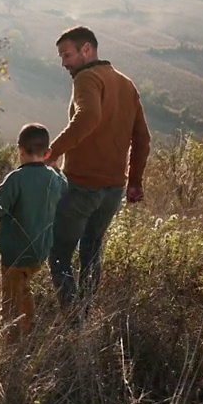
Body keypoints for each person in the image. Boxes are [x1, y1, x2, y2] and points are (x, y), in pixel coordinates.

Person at [46, 25, 150, 312]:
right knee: (91, 252)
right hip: (113, 190)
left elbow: (89, 116)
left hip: (82, 186)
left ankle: (72, 317)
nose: (64, 63)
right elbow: (142, 139)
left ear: (87, 50)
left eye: (67, 55)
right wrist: (135, 182)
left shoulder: (86, 78)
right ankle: (86, 311)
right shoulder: (126, 84)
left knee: (58, 253)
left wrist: (51, 153)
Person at [0, 123, 67, 341]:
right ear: (47, 153)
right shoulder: (55, 179)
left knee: (10, 299)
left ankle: (12, 341)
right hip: (39, 252)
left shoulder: (16, 178)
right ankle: (29, 330)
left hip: (14, 253)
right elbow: (65, 187)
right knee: (24, 289)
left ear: (19, 149)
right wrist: (56, 168)